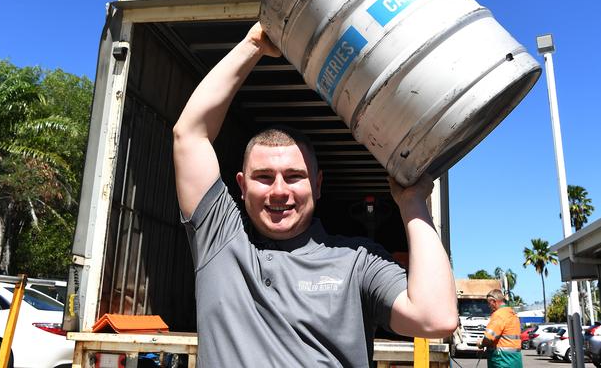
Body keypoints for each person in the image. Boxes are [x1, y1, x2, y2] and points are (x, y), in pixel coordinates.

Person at [172, 22, 457, 367]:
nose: (279, 190)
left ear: (318, 185)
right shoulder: (219, 239)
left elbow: (434, 318)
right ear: (242, 185)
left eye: (294, 176)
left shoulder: (358, 261)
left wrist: (412, 203)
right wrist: (254, 45)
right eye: (264, 177)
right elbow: (189, 135)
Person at [478, 289, 522, 368]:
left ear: (493, 301)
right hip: (515, 360)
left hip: (502, 360)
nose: (489, 306)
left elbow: (488, 338)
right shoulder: (512, 314)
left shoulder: (499, 315)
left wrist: (481, 344)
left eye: (489, 303)